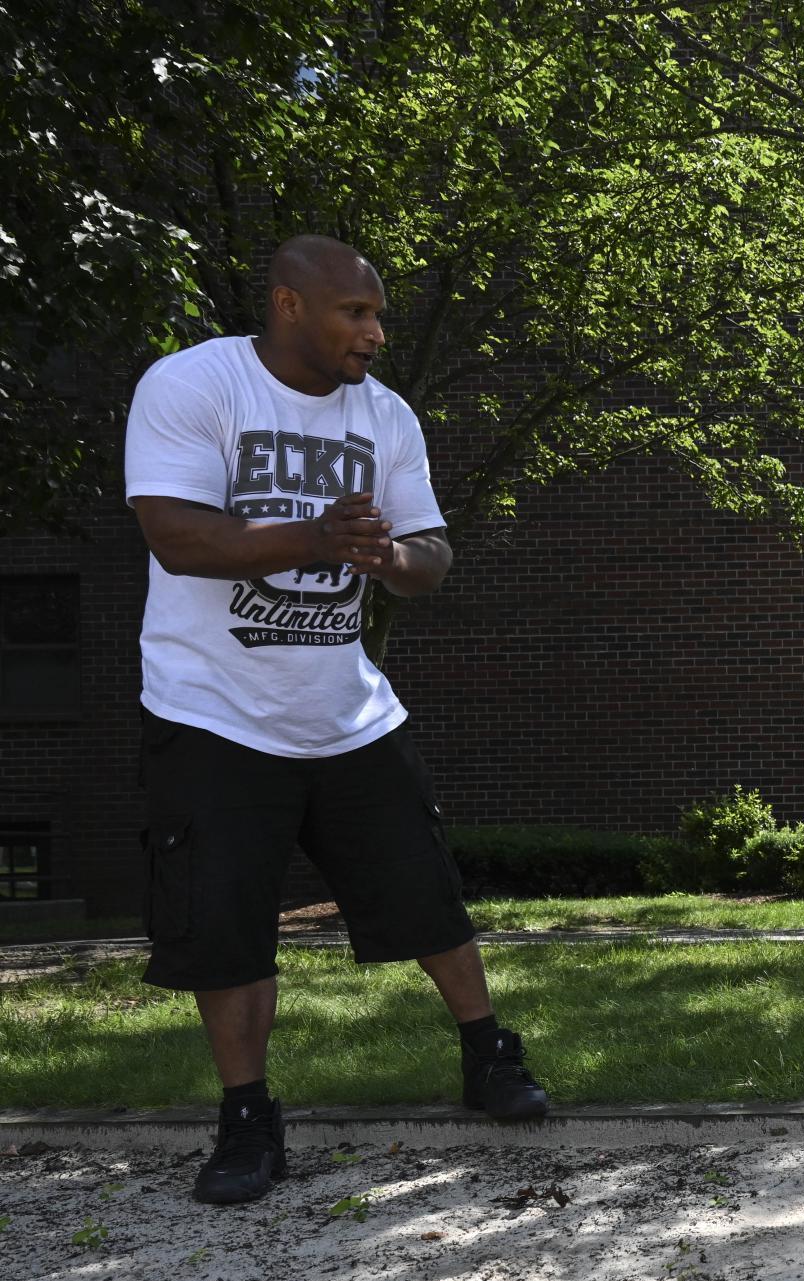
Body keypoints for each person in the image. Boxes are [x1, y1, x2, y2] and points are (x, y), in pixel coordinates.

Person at [124, 234, 548, 1208]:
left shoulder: (385, 415)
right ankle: (246, 1120)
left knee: (427, 895)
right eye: (355, 313)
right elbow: (178, 537)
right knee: (224, 930)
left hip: (349, 712)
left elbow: (434, 551)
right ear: (288, 306)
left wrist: (387, 556)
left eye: (379, 313)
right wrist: (315, 534)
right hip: (212, 714)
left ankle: (488, 1055)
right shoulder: (195, 386)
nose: (375, 332)